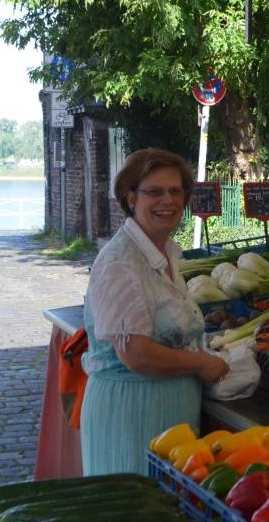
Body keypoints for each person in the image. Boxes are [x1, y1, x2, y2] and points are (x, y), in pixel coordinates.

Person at [80, 148, 229, 475]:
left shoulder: (166, 255)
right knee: (135, 513)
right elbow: (136, 354)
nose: (169, 201)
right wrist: (202, 363)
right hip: (130, 413)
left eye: (176, 192)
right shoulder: (120, 262)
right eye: (155, 192)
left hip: (171, 418)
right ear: (131, 198)